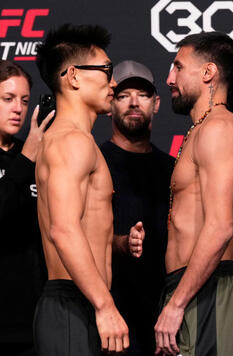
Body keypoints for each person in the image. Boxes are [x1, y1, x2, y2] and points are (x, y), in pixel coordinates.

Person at [33, 24, 141, 355]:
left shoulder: (76, 141)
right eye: (106, 70)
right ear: (74, 77)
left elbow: (79, 224)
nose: (113, 82)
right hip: (73, 304)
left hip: (82, 301)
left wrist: (118, 244)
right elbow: (64, 231)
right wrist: (105, 306)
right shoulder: (71, 141)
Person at [154, 31, 233, 356]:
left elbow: (221, 226)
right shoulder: (203, 129)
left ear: (208, 73)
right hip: (189, 288)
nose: (169, 78)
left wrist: (177, 303)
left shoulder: (219, 129)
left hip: (206, 291)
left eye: (178, 67)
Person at [100, 60, 175, 355]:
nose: (133, 103)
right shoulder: (94, 162)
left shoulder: (174, 169)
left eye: (142, 95)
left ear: (156, 104)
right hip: (112, 316)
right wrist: (121, 243)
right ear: (109, 104)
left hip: (165, 317)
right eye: (122, 95)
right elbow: (73, 236)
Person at [0, 60, 53, 355]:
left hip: (35, 317)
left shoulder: (36, 154)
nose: (18, 108)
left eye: (24, 100)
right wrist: (26, 159)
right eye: (7, 99)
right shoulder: (29, 156)